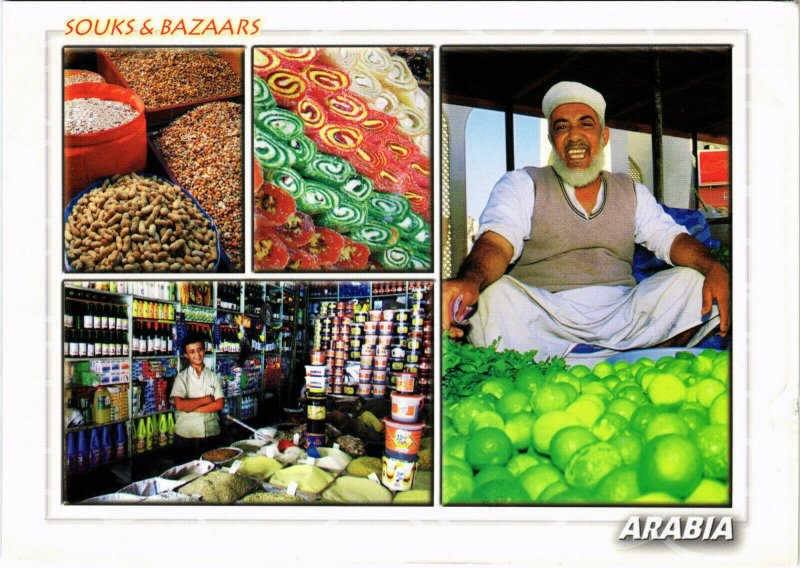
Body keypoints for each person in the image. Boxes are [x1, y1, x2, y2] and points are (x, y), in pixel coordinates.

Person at [443, 81, 730, 363]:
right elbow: (496, 243)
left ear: (604, 136)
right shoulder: (523, 183)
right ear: (552, 140)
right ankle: (624, 358)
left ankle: (577, 359)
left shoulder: (630, 191)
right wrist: (470, 280)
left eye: (585, 124)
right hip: (546, 315)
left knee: (695, 281)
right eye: (562, 127)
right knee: (491, 299)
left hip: (621, 313)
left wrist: (713, 266)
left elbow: (671, 239)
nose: (574, 136)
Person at [170, 332, 225, 464]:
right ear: (186, 355)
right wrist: (206, 400)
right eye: (192, 351)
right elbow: (180, 405)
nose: (197, 355)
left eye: (200, 350)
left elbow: (219, 404)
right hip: (186, 436)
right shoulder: (182, 378)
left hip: (211, 434)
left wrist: (192, 407)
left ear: (204, 350)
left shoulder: (213, 376)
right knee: (185, 477)